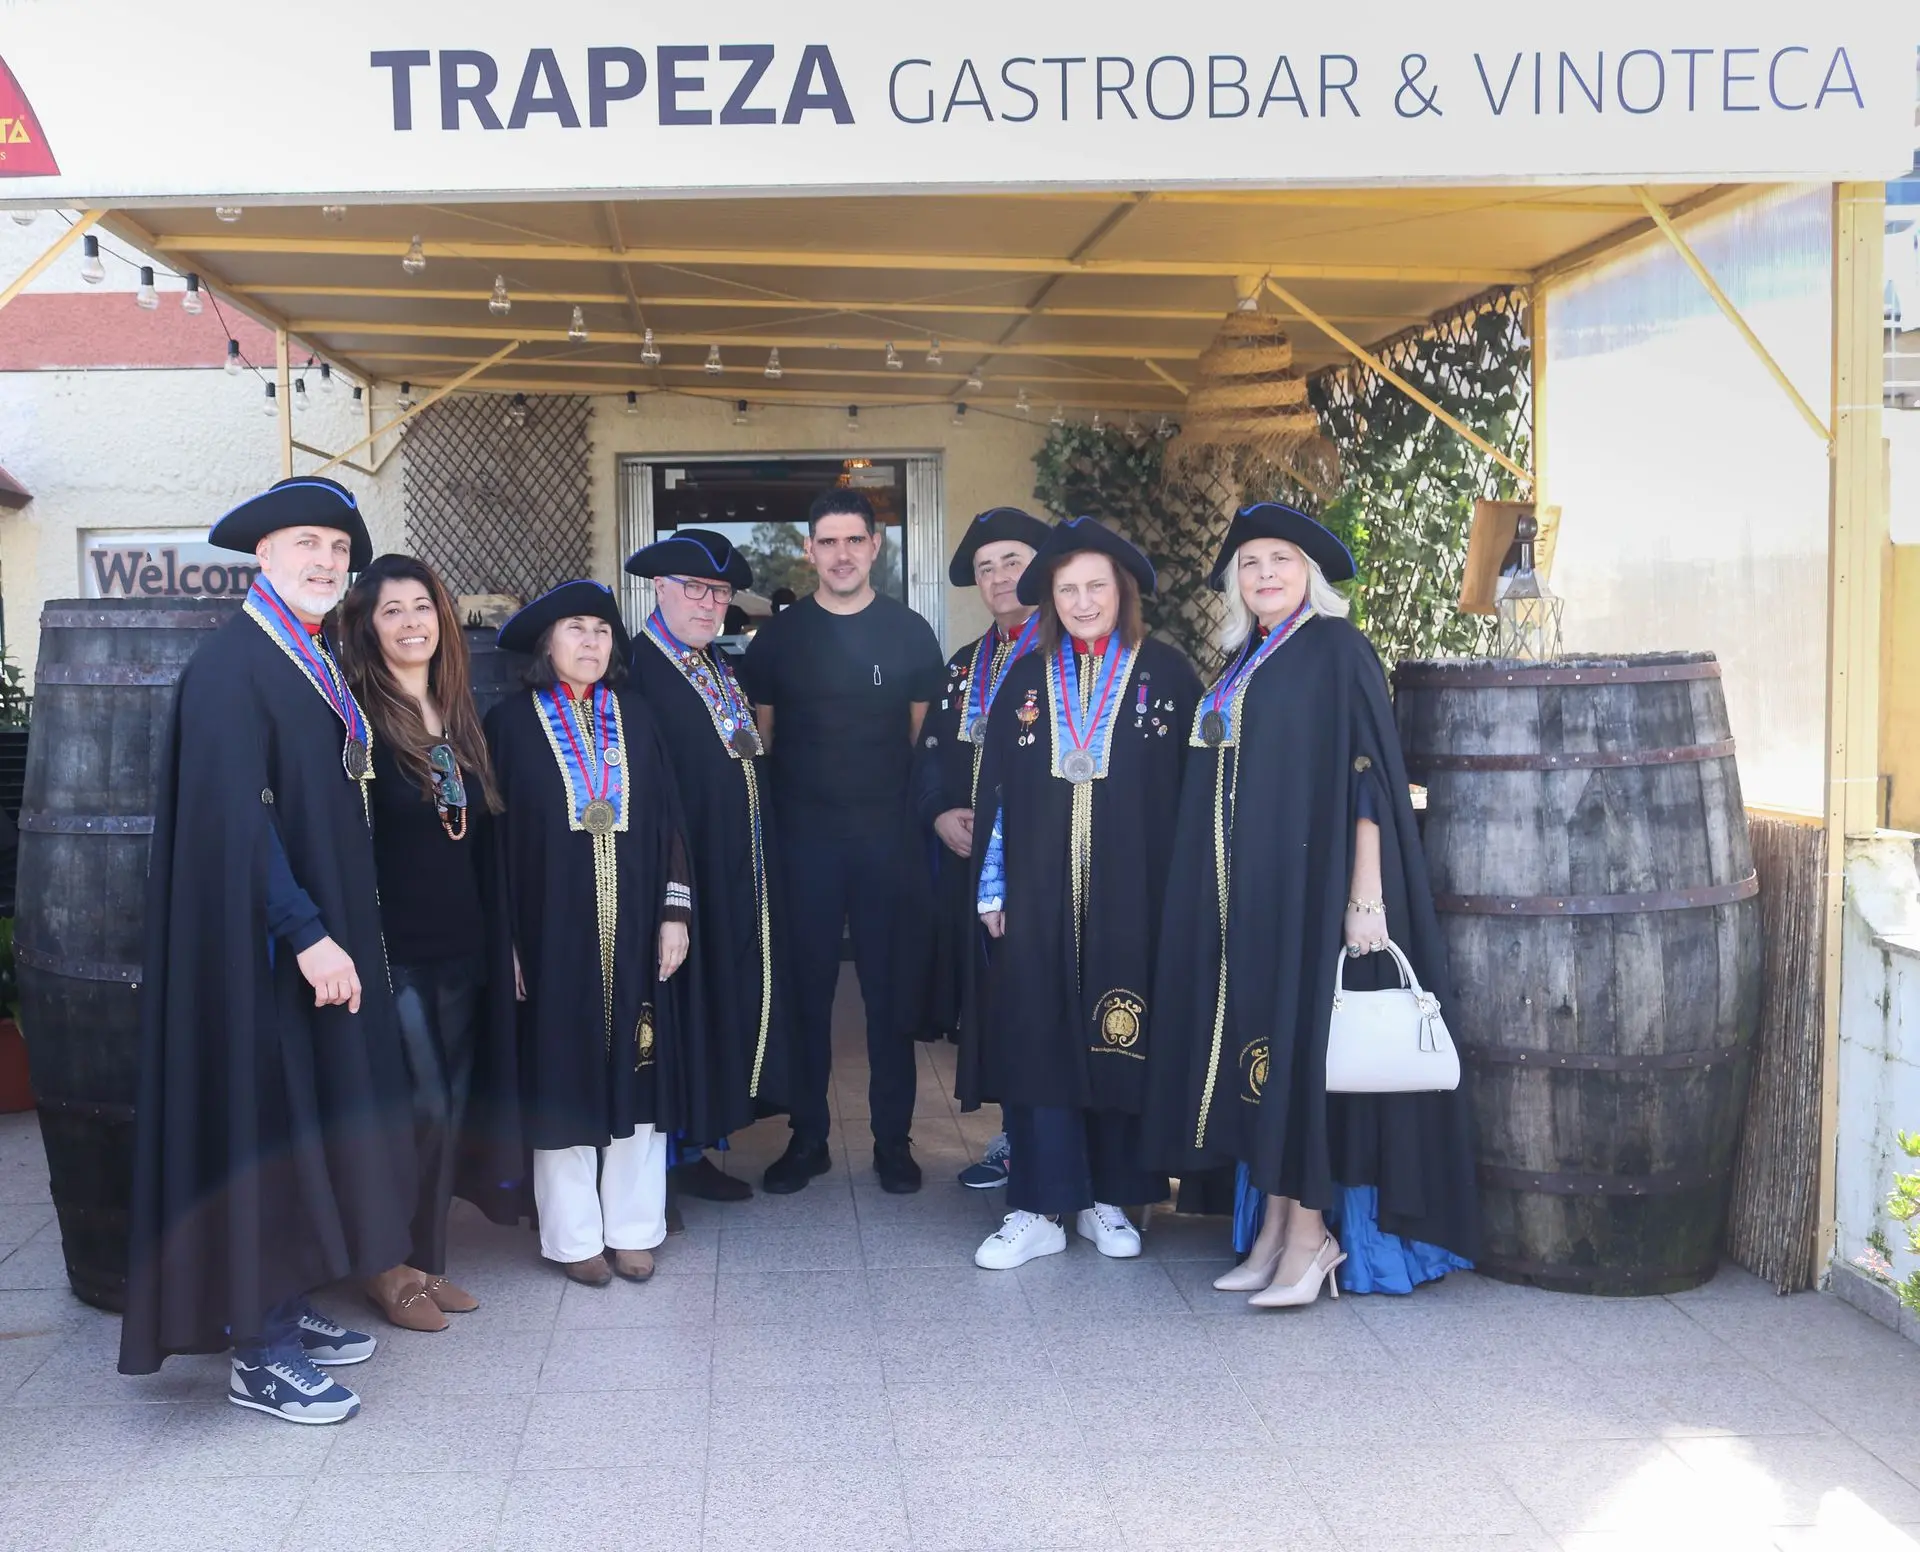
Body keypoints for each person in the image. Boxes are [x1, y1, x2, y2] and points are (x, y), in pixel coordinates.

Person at [119, 475, 412, 1425]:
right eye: (306, 544)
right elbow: (235, 822)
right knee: (267, 1132)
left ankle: (283, 1296)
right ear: (265, 554)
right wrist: (308, 934)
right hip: (262, 955)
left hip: (307, 942)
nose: (326, 561)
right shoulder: (232, 665)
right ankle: (262, 1350)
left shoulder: (305, 653)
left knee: (307, 1125)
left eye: (339, 548)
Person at [1144, 502, 1478, 1307]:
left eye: (1281, 560)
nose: (1265, 573)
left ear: (1310, 575)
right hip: (1251, 900)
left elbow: (1370, 780)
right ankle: (1272, 1231)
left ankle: (1311, 1238)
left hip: (1316, 892)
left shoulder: (1336, 648)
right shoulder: (1244, 659)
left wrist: (1365, 896)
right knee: (1271, 1059)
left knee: (1305, 1058)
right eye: (1250, 562)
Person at [965, 517, 1200, 1270]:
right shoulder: (1024, 680)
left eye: (1097, 586)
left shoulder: (1168, 676)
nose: (1083, 601)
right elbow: (996, 792)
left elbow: (1194, 799)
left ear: (1122, 591)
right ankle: (1037, 1207)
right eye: (1067, 589)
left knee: (1121, 1035)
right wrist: (993, 886)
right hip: (1036, 900)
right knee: (1037, 1040)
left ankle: (1110, 1198)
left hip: (1136, 898)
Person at [485, 581, 696, 1286]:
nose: (592, 641)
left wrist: (674, 913)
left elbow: (669, 821)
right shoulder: (510, 726)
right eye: (576, 628)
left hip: (635, 931)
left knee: (640, 1061)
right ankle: (574, 1236)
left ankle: (633, 1227)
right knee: (561, 1074)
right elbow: (493, 845)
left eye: (603, 630)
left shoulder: (637, 716)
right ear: (546, 644)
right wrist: (507, 941)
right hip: (551, 934)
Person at [739, 489, 946, 1195]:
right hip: (804, 845)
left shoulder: (909, 633)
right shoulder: (780, 639)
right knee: (806, 995)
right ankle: (808, 1139)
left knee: (890, 997)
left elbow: (920, 741)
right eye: (827, 542)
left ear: (876, 547)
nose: (842, 554)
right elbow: (763, 741)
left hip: (888, 843)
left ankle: (893, 1142)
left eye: (854, 540)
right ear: (809, 550)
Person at [336, 554, 522, 1332]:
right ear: (368, 627)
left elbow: (479, 844)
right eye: (392, 610)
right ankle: (385, 1270)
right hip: (396, 952)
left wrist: (504, 944)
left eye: (422, 606)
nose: (411, 622)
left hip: (463, 946)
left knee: (451, 1111)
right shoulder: (358, 719)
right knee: (419, 1109)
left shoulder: (458, 713)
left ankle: (427, 1262)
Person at [624, 529, 790, 1205]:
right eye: (693, 588)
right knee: (672, 1011)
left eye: (719, 592)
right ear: (659, 589)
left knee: (713, 1004)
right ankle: (661, 1167)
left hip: (732, 869)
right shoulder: (635, 671)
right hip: (675, 877)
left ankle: (695, 1145)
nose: (708, 603)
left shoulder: (717, 665)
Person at [911, 505, 1050, 1190]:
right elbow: (932, 752)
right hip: (980, 872)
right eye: (986, 568)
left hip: (1052, 865)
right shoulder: (967, 664)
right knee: (997, 1005)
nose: (998, 578)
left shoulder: (1069, 657)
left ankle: (1060, 1148)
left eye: (1012, 562)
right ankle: (1015, 1137)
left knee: (1047, 1003)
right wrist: (939, 811)